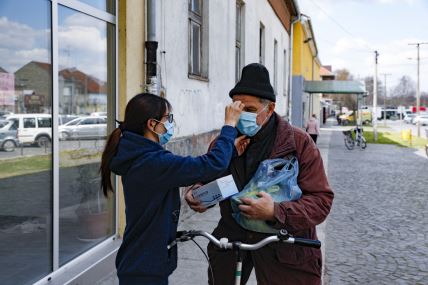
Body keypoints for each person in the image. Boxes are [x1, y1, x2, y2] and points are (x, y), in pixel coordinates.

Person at [185, 63, 334, 285]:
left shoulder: (299, 143)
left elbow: (321, 201)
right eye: (237, 108)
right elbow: (206, 180)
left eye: (251, 110)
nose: (242, 116)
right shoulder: (223, 143)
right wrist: (198, 194)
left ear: (270, 109)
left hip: (285, 244)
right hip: (233, 241)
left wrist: (275, 211)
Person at [100, 93, 248, 285]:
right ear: (152, 125)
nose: (171, 124)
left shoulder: (140, 156)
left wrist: (231, 150)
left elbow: (194, 169)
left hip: (141, 260)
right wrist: (229, 126)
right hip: (145, 267)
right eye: (167, 119)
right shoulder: (152, 162)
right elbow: (211, 164)